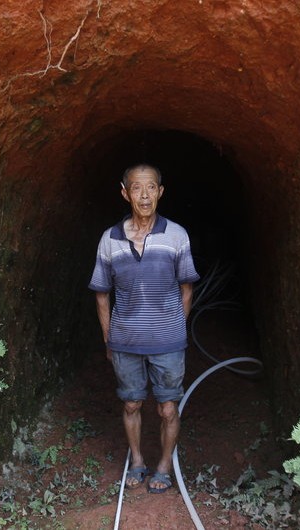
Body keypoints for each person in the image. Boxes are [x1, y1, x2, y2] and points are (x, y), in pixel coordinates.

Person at [88, 164, 200, 494]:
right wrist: (109, 338)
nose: (145, 195)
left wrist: (176, 331)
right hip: (125, 341)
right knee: (131, 404)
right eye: (137, 188)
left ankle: (164, 465)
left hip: (168, 342)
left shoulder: (176, 236)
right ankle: (137, 460)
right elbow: (101, 295)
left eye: (151, 187)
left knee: (167, 408)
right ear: (125, 193)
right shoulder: (110, 240)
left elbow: (186, 290)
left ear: (161, 192)